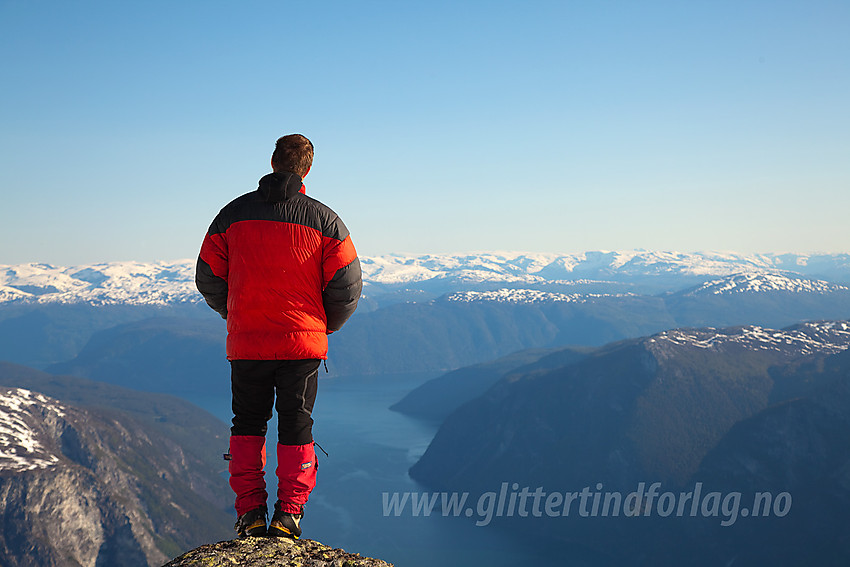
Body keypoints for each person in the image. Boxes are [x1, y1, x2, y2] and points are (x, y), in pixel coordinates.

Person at [195, 134, 361, 539]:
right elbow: (347, 286)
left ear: (272, 163)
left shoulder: (230, 216)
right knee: (296, 424)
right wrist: (322, 325)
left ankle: (250, 511)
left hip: (248, 341)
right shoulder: (324, 221)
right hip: (301, 344)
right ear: (307, 169)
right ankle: (289, 514)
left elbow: (208, 277)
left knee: (247, 423)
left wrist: (235, 313)